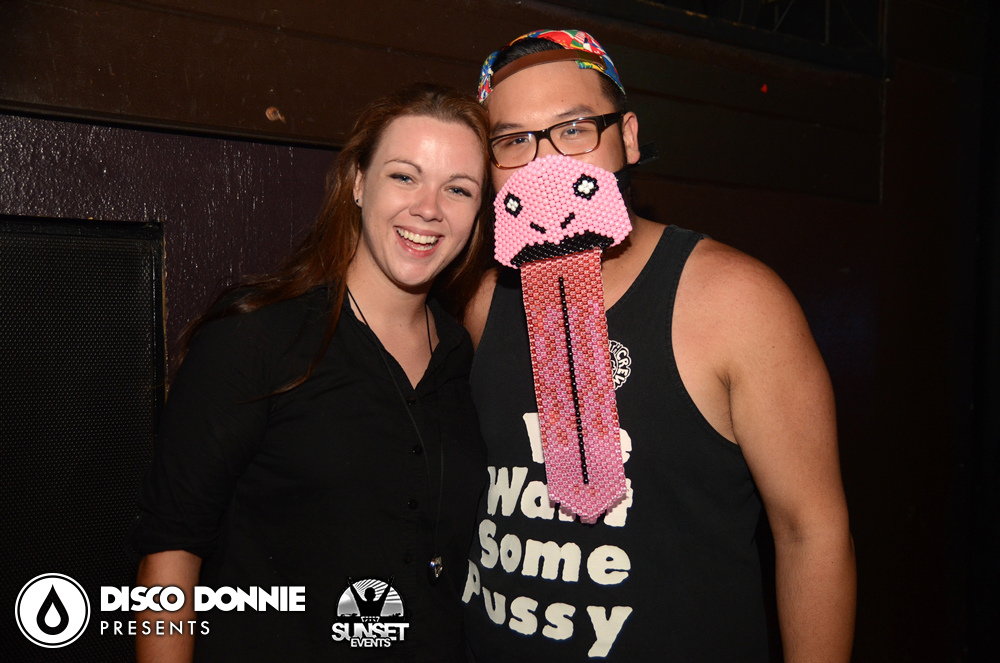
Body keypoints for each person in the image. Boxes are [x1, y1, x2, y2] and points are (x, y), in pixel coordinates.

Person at [460, 30, 856, 661]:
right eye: (513, 141)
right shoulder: (486, 303)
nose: (545, 164)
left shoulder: (736, 299)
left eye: (574, 129)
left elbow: (811, 533)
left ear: (629, 137)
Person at [131, 82, 490, 662]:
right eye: (404, 176)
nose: (429, 208)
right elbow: (170, 552)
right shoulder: (258, 335)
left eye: (458, 188)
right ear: (358, 183)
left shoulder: (464, 356)